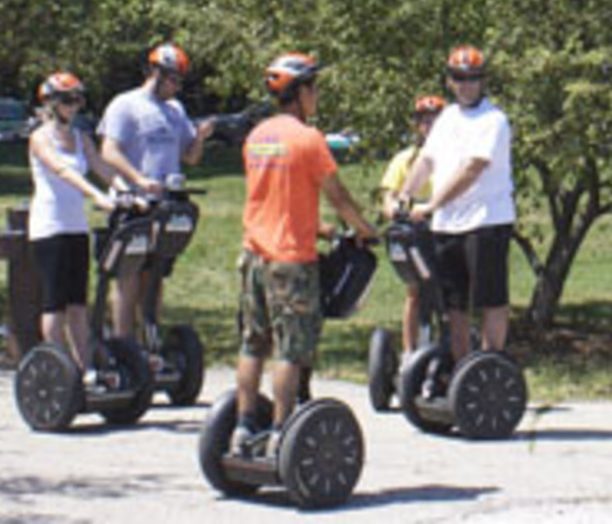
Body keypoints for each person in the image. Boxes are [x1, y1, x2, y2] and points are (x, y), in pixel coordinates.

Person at [233, 53, 378, 455]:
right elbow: (338, 194)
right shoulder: (308, 139)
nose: (316, 96)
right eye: (313, 88)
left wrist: (319, 228)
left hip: (252, 256)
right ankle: (282, 432)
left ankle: (243, 427)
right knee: (291, 351)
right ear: (298, 93)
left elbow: (271, 197)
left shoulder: (257, 137)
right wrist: (364, 230)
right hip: (290, 261)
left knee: (252, 344)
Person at [395, 45, 516, 360]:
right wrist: (405, 195)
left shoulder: (493, 120)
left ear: (483, 80)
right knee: (454, 302)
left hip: (487, 220)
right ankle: (462, 368)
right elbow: (426, 160)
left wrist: (431, 204)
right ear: (450, 81)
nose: (467, 84)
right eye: (460, 78)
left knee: (490, 298)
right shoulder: (447, 117)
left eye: (473, 78)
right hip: (448, 224)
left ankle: (492, 363)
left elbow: (472, 169)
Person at [97, 42, 215, 343]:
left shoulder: (176, 110)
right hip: (133, 204)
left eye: (179, 80)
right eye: (172, 78)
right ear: (154, 72)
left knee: (155, 276)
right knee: (128, 276)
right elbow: (108, 151)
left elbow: (190, 157)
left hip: (165, 206)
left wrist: (200, 137)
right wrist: (138, 179)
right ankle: (123, 342)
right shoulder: (125, 104)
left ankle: (150, 338)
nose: (176, 86)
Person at [27, 73, 119, 378]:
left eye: (78, 98)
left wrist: (129, 189)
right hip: (49, 227)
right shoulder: (40, 138)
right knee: (55, 303)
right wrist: (98, 196)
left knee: (78, 303)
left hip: (76, 227)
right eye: (68, 99)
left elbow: (102, 168)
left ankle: (85, 369)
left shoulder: (81, 137)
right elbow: (63, 171)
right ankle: (58, 369)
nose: (74, 105)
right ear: (51, 103)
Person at [380, 94, 445, 354]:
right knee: (416, 291)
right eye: (424, 121)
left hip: (445, 232)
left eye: (435, 120)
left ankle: (449, 347)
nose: (429, 126)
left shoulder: (453, 158)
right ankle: (410, 352)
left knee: (449, 293)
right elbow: (388, 197)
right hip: (417, 236)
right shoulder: (405, 159)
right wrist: (395, 210)